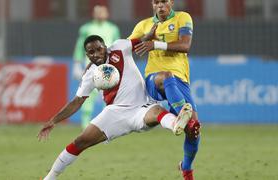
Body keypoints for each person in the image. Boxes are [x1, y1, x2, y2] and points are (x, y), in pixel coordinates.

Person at [38, 35, 197, 180]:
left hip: (141, 107)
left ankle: (176, 124)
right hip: (115, 113)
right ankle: (50, 177)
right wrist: (53, 120)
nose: (96, 54)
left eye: (99, 49)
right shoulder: (91, 74)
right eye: (91, 52)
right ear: (87, 56)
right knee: (80, 141)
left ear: (105, 47)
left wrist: (152, 33)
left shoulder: (120, 47)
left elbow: (141, 39)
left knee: (157, 112)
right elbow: (77, 102)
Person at [128, 0, 201, 179]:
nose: (160, 5)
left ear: (171, 2)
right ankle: (182, 117)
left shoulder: (183, 18)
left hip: (181, 80)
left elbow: (185, 45)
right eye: (156, 2)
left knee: (195, 131)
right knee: (165, 75)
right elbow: (123, 49)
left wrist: (155, 44)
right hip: (155, 79)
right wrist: (95, 62)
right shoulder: (144, 25)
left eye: (164, 1)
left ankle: (186, 167)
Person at [72, 5, 121, 129]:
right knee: (88, 94)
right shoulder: (86, 28)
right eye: (97, 12)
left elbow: (117, 45)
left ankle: (107, 125)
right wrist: (77, 64)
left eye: (102, 11)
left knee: (109, 94)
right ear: (93, 13)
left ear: (107, 13)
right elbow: (79, 46)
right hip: (91, 64)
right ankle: (85, 125)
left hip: (108, 65)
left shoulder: (113, 28)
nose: (99, 14)